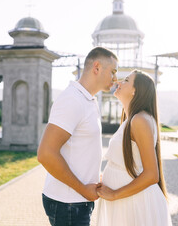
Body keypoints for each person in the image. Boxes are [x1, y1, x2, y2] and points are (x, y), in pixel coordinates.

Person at [37, 47, 118, 226]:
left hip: (75, 201)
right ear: (96, 67)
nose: (115, 78)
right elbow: (45, 154)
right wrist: (82, 189)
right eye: (113, 71)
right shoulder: (72, 99)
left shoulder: (87, 100)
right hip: (68, 203)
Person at [96, 70, 172, 226]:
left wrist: (114, 194)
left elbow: (152, 174)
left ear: (135, 90)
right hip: (126, 202)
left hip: (133, 203)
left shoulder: (140, 120)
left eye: (125, 80)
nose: (119, 82)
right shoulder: (131, 119)